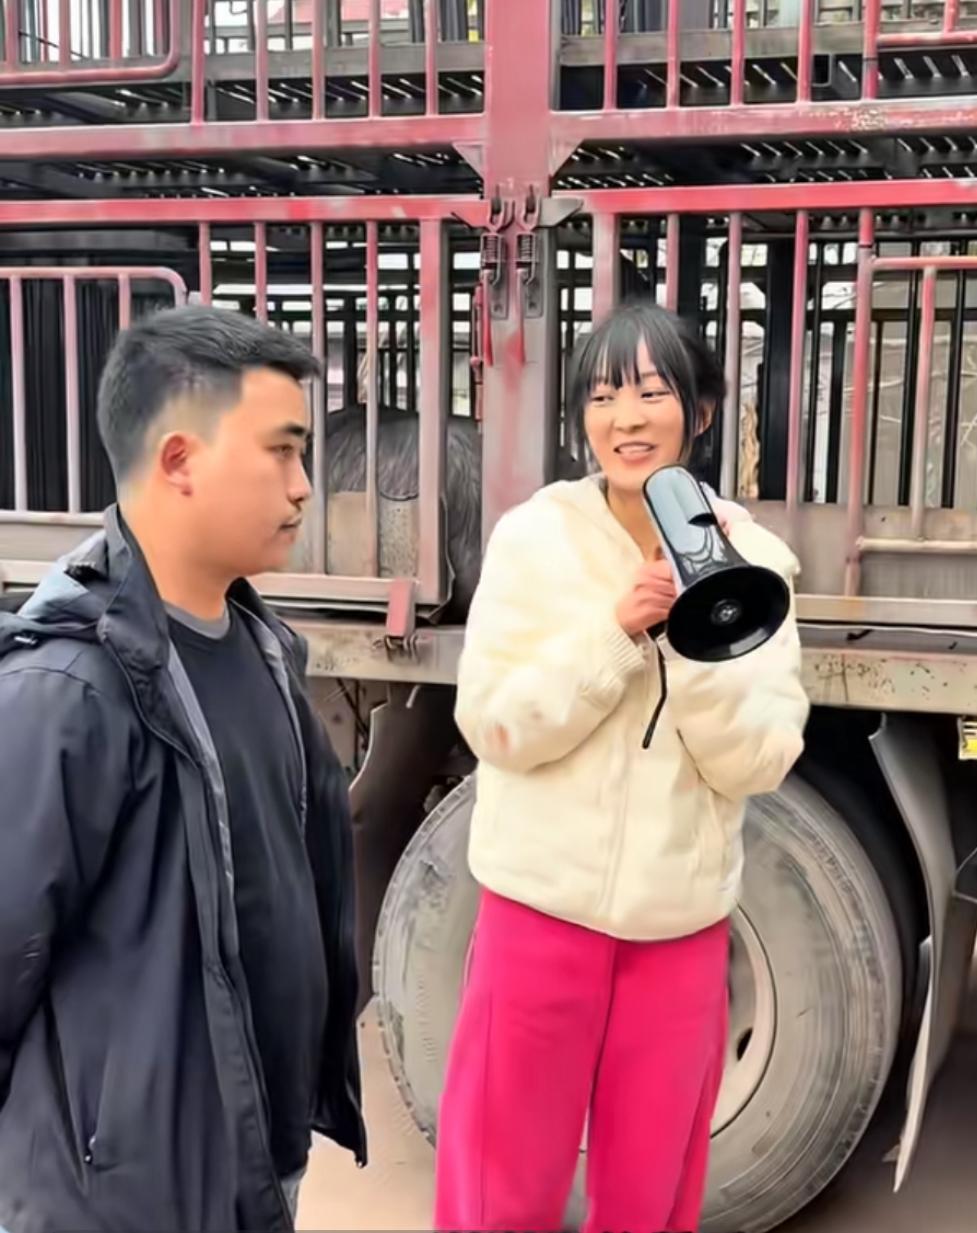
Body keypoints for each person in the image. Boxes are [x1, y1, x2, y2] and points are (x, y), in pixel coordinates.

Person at [434, 302, 810, 1233]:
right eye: (602, 397)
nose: (625, 418)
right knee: (498, 1186)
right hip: (537, 915)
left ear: (700, 412)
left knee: (648, 1195)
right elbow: (495, 725)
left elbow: (759, 759)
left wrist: (697, 636)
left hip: (677, 929)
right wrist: (615, 633)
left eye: (650, 392)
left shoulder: (755, 563)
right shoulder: (533, 539)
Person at [0, 306, 366, 1233]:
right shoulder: (68, 690)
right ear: (178, 460)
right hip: (122, 1197)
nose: (303, 486)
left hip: (254, 1159)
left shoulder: (265, 650)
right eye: (281, 452)